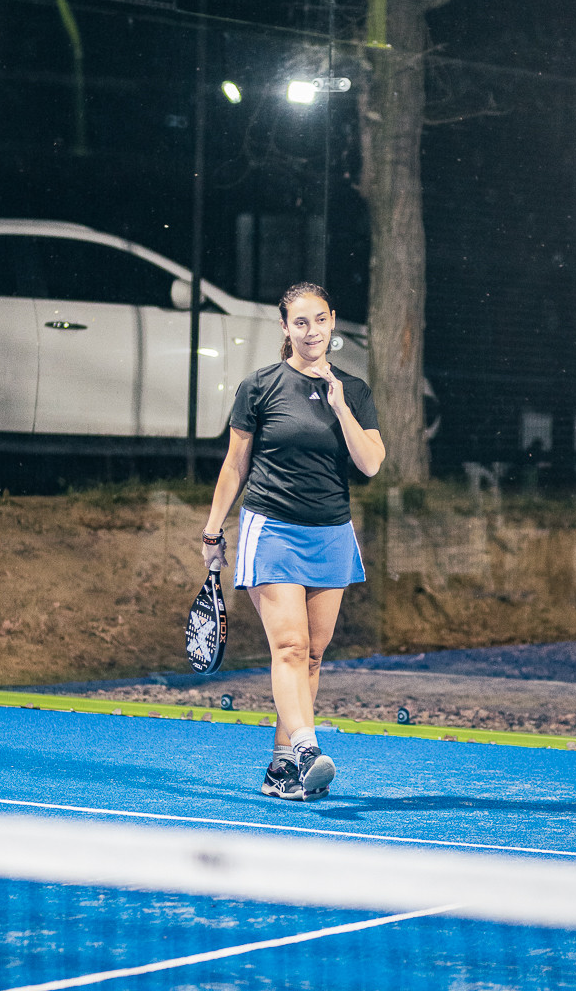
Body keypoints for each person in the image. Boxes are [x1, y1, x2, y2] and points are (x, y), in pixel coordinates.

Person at [201, 281, 385, 801]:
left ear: (333, 322)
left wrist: (340, 406)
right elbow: (235, 464)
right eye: (300, 322)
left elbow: (371, 463)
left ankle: (282, 767)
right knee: (290, 646)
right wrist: (213, 530)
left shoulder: (354, 390)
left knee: (313, 657)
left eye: (320, 320)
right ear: (285, 327)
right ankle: (307, 749)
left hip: (331, 533)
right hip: (273, 529)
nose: (311, 331)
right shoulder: (259, 386)